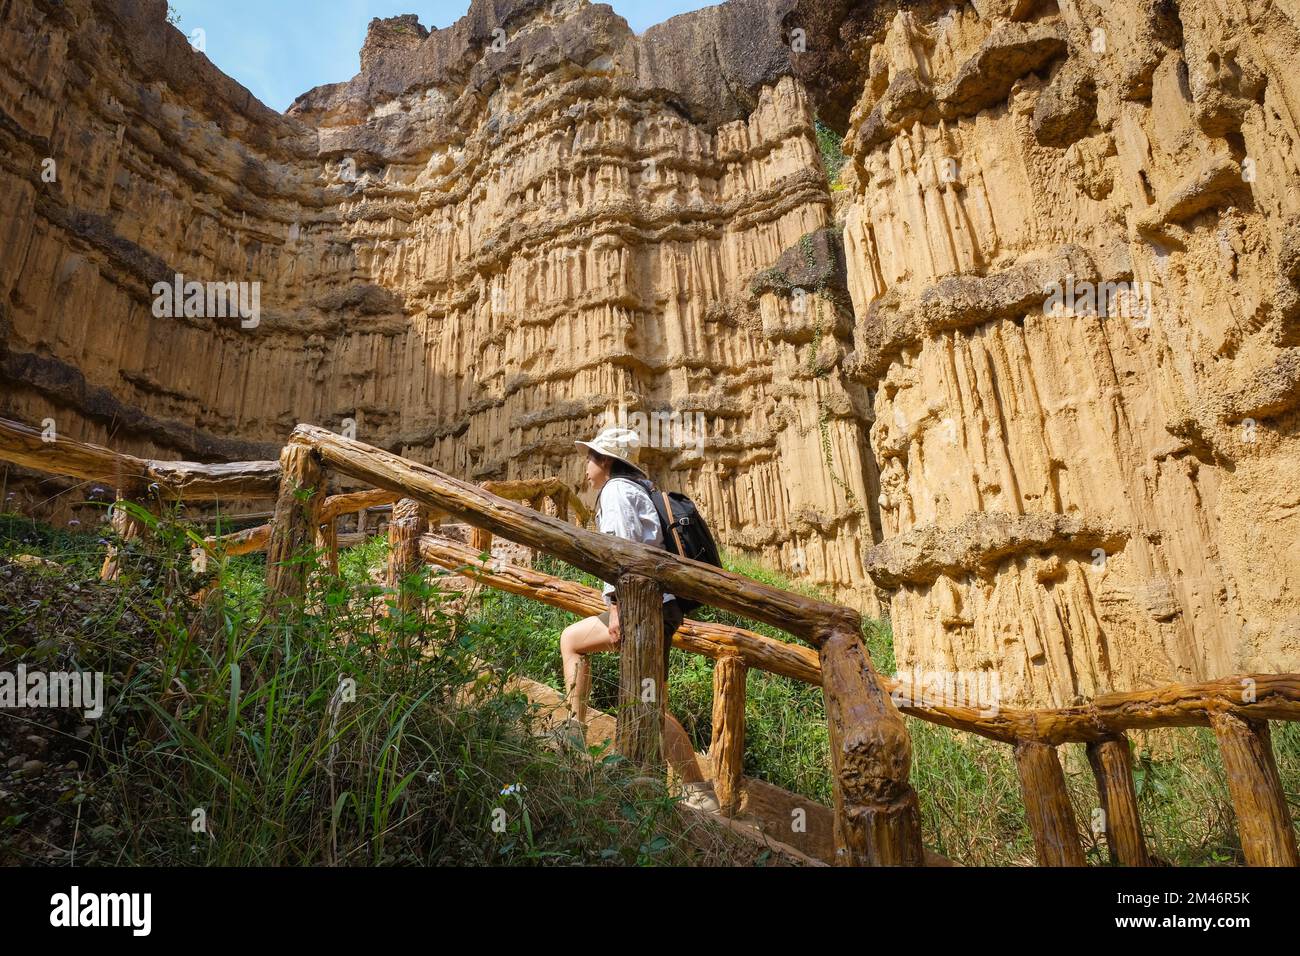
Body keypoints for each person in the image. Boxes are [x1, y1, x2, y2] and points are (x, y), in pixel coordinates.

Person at [559, 426, 720, 812]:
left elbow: (624, 555)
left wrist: (617, 609)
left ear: (607, 461)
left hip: (641, 607)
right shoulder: (639, 488)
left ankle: (575, 740)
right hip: (655, 605)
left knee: (648, 701)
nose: (585, 465)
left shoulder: (615, 492)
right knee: (643, 694)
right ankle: (698, 791)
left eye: (590, 456)